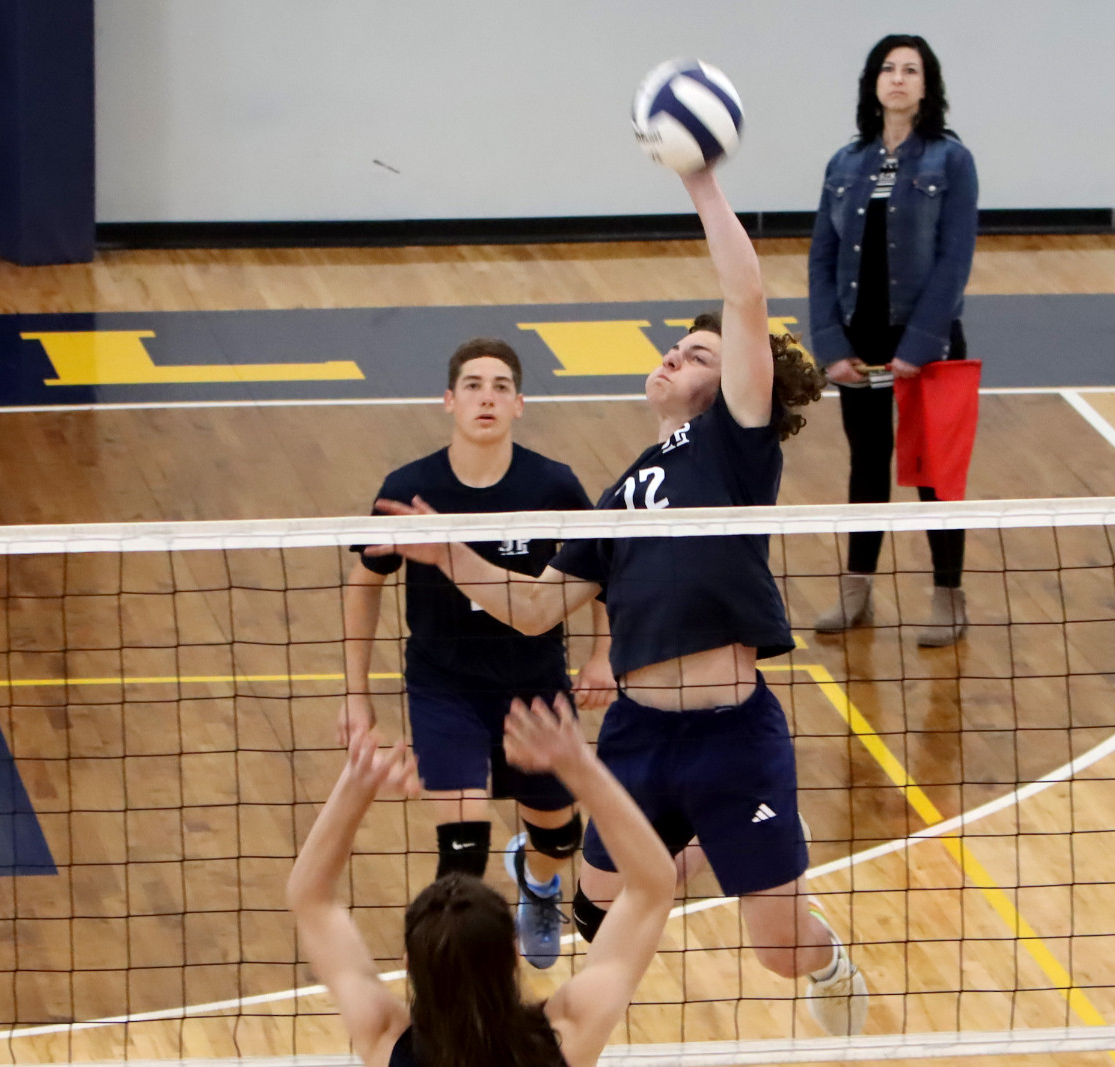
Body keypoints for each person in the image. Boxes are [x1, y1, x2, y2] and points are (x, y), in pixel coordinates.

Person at [371, 168, 869, 1036]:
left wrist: (700, 179)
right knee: (601, 920)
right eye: (676, 345)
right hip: (637, 740)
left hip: (731, 737)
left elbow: (745, 295)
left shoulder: (733, 448)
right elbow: (534, 609)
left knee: (778, 946)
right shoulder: (620, 494)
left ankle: (824, 956)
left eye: (699, 353)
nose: (676, 354)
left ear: (735, 386)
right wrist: (447, 551)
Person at [341, 337, 614, 970]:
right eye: (472, 385)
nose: (485, 396)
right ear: (448, 401)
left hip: (535, 683)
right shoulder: (411, 488)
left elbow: (600, 568)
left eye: (498, 387)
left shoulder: (553, 486)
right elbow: (364, 583)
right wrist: (357, 698)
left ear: (519, 404)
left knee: (558, 833)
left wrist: (603, 653)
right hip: (445, 687)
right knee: (461, 851)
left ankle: (537, 880)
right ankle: (450, 981)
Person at [287, 697, 677, 1067]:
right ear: (514, 952)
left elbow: (310, 899)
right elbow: (653, 886)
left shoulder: (386, 1040)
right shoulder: (567, 1035)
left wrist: (354, 788)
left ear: (409, 965)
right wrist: (578, 767)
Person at [807, 34, 980, 647]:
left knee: (936, 471)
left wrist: (922, 342)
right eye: (888, 68)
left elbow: (955, 258)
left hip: (925, 344)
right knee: (866, 463)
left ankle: (947, 595)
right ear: (872, 83)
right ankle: (857, 591)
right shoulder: (844, 163)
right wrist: (830, 345)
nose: (898, 78)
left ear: (927, 85)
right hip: (860, 337)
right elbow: (822, 260)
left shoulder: (949, 162)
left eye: (911, 70)